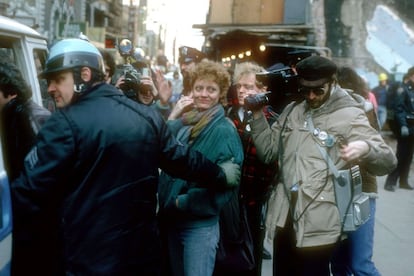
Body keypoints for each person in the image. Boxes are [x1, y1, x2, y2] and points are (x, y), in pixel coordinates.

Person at [10, 38, 241, 275]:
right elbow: (182, 160)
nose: (50, 88)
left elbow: (28, 196)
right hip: (142, 260)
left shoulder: (62, 124)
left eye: (58, 80)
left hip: (88, 261)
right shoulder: (145, 117)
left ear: (85, 75)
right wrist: (220, 175)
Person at [248, 56, 396, 275]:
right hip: (285, 218)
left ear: (332, 82)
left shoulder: (350, 114)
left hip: (320, 222)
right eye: (305, 90)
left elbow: (387, 160)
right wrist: (258, 115)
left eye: (318, 90)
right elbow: (268, 152)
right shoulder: (292, 111)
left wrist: (365, 147)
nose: (310, 96)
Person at [157, 59, 244, 276]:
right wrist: (173, 114)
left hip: (199, 226)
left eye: (211, 89)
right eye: (199, 88)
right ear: (191, 90)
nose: (204, 94)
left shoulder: (224, 129)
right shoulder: (188, 122)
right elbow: (161, 146)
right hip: (174, 220)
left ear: (221, 93)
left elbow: (228, 185)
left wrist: (184, 201)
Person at [221, 61, 278, 276]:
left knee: (250, 258)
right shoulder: (229, 115)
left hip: (253, 202)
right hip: (227, 200)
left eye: (249, 86)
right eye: (240, 86)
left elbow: (270, 163)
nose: (242, 90)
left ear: (263, 90)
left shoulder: (272, 121)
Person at [0, 59, 52, 276]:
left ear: (8, 91)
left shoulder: (30, 118)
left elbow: (40, 177)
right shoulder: (15, 114)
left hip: (31, 224)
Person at [331, 66, 383, 275]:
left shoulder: (363, 110)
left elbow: (375, 147)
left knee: (360, 264)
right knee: (340, 263)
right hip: (336, 191)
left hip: (361, 190)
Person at [384, 67, 414, 192]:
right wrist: (402, 125)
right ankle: (390, 182)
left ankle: (403, 181)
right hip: (405, 125)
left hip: (412, 126)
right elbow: (399, 109)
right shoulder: (403, 89)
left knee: (409, 155)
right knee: (401, 154)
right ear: (412, 75)